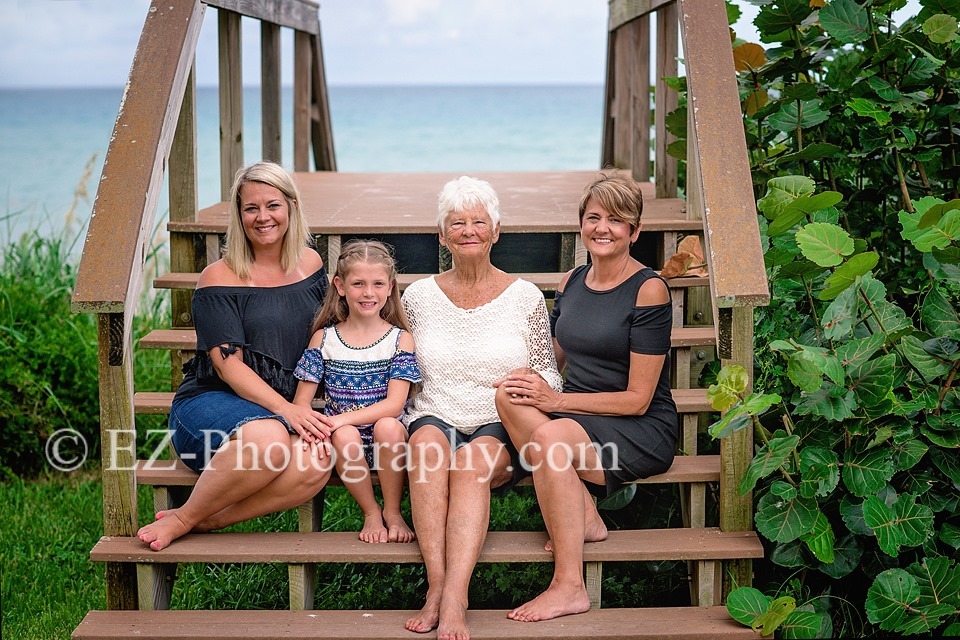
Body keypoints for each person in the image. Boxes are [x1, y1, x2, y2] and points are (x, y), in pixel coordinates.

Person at [495, 170, 678, 622]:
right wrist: (518, 377)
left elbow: (637, 397)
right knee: (509, 397)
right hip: (578, 414)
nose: (603, 228)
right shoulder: (572, 281)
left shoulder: (649, 289)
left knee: (553, 440)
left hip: (638, 424)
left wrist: (555, 403)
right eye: (594, 217)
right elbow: (551, 360)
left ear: (634, 231)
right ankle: (587, 518)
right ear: (581, 224)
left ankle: (569, 586)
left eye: (616, 220)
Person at [137, 161, 332, 552]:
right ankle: (185, 518)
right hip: (212, 404)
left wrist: (303, 403)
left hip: (284, 406)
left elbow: (324, 337)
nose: (263, 217)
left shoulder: (310, 264)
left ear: (292, 206)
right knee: (270, 438)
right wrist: (288, 410)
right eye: (251, 208)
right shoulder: (219, 277)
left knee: (319, 460)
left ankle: (210, 518)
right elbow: (228, 366)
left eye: (273, 205)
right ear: (238, 215)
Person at [401, 176, 563, 640]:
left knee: (471, 464)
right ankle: (435, 588)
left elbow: (548, 373)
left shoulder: (525, 295)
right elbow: (400, 362)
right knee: (429, 450)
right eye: (457, 223)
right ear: (441, 235)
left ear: (496, 231)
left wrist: (533, 384)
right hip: (434, 410)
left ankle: (456, 597)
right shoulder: (418, 297)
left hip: (499, 419)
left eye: (479, 222)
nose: (468, 230)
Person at [292, 239, 421, 544]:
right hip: (343, 443)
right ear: (340, 285)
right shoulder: (324, 338)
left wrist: (336, 420)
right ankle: (371, 512)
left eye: (377, 284)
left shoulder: (400, 339)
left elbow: (394, 405)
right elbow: (301, 403)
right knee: (345, 435)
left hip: (389, 443)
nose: (368, 293)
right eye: (358, 283)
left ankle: (392, 511)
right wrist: (322, 430)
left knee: (389, 426)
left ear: (390, 287)